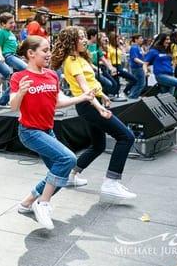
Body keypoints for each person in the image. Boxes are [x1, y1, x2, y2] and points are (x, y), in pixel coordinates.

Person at [12, 37, 94, 230]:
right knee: (68, 159)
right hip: (30, 132)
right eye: (45, 50)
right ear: (31, 54)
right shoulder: (19, 77)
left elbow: (57, 101)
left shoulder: (51, 75)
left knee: (59, 176)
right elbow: (13, 106)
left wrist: (81, 97)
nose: (49, 53)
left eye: (49, 50)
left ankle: (26, 203)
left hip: (47, 131)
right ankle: (43, 203)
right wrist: (21, 92)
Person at [51, 26, 138, 201]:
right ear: (71, 41)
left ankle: (71, 175)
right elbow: (84, 89)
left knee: (98, 146)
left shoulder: (80, 58)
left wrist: (103, 95)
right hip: (88, 105)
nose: (84, 40)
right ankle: (111, 182)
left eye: (84, 37)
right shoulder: (72, 61)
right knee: (126, 137)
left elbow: (91, 83)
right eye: (81, 37)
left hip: (90, 103)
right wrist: (100, 108)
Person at [144, 33, 177, 116]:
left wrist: (172, 69)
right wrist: (146, 72)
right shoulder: (153, 51)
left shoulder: (167, 50)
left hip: (170, 74)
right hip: (161, 75)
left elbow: (172, 61)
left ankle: (159, 113)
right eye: (166, 39)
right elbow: (145, 63)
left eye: (169, 39)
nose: (168, 41)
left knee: (167, 97)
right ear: (161, 40)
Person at [0, 12, 27, 107]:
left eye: (13, 22)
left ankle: (2, 101)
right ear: (3, 24)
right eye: (10, 23)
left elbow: (15, 47)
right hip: (9, 56)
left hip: (15, 56)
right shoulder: (1, 32)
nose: (13, 24)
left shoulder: (11, 33)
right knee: (27, 69)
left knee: (17, 81)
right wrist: (0, 56)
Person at [107, 32, 137, 97]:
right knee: (117, 84)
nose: (118, 39)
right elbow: (108, 58)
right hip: (114, 66)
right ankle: (114, 95)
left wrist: (122, 44)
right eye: (117, 38)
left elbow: (125, 51)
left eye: (118, 38)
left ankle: (125, 91)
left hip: (120, 65)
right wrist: (111, 68)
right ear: (112, 39)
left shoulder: (118, 47)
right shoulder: (109, 47)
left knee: (132, 80)